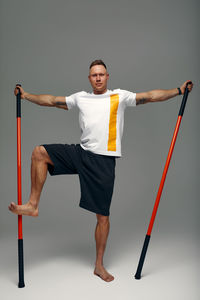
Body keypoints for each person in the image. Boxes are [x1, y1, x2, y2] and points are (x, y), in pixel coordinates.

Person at [9, 59, 193, 282]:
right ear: (89, 78)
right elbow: (52, 100)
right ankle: (33, 204)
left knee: (102, 217)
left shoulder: (119, 96)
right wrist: (26, 95)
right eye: (94, 75)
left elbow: (150, 96)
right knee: (39, 153)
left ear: (107, 76)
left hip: (103, 161)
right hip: (82, 153)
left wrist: (178, 91)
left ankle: (99, 265)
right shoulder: (81, 98)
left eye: (101, 74)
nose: (97, 78)